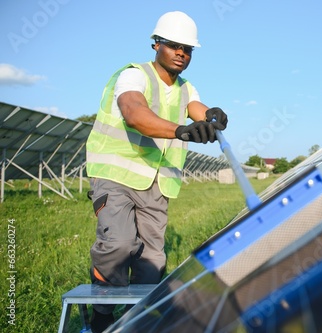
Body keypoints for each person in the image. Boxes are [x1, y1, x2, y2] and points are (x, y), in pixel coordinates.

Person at [85, 11, 228, 333]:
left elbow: (197, 109)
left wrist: (213, 116)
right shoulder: (134, 76)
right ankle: (102, 313)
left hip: (158, 182)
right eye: (173, 45)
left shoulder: (186, 87)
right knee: (120, 244)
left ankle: (139, 321)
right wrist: (181, 131)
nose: (181, 53)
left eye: (187, 49)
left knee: (153, 261)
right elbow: (134, 112)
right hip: (115, 175)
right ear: (156, 44)